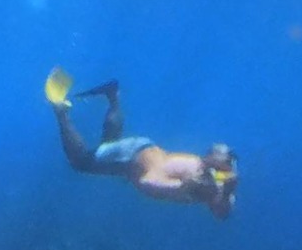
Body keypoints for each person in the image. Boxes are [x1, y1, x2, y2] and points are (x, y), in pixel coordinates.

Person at [45, 68, 237, 218]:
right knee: (80, 162)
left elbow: (222, 162)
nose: (221, 210)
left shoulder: (218, 177)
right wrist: (181, 188)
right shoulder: (190, 188)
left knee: (109, 145)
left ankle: (113, 95)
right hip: (131, 157)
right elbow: (147, 181)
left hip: (143, 150)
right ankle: (60, 110)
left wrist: (224, 181)